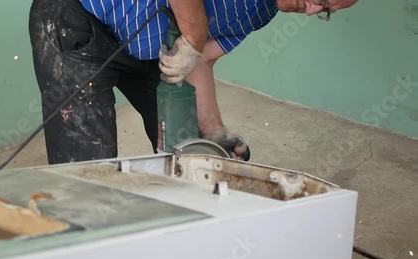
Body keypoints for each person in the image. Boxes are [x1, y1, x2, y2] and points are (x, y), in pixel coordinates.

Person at [28, 0, 358, 165]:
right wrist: (195, 35)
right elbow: (196, 41)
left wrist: (214, 132)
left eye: (327, 10)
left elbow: (200, 58)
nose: (312, 11)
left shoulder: (262, 12)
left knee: (192, 149)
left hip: (153, 50)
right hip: (80, 21)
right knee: (87, 169)